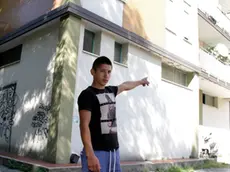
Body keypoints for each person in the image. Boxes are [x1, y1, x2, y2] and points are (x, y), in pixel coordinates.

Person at [78, 56, 149, 172]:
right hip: (97, 152)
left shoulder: (110, 91)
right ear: (93, 72)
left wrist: (140, 82)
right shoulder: (87, 95)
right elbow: (84, 125)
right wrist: (90, 155)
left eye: (109, 72)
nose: (106, 75)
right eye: (102, 71)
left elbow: (125, 86)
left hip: (114, 151)